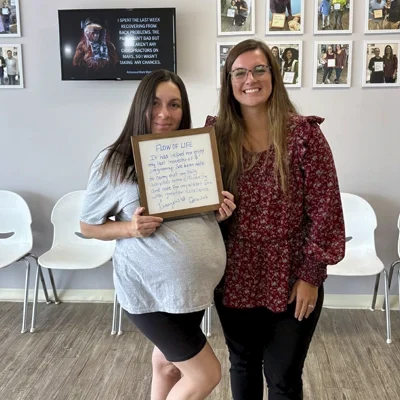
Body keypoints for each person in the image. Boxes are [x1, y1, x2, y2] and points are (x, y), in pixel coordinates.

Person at [80, 69, 236, 400]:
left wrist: (220, 209)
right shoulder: (114, 161)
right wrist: (129, 228)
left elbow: (198, 215)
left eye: (174, 104)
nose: (165, 114)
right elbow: (88, 225)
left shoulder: (195, 154)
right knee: (206, 374)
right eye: (155, 103)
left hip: (191, 292)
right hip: (150, 293)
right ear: (141, 106)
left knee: (168, 367)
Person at [206, 38, 345, 400]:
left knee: (283, 377)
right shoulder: (214, 137)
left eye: (258, 69)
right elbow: (197, 206)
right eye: (239, 72)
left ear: (273, 76)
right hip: (235, 275)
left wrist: (311, 276)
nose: (249, 79)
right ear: (228, 81)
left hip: (293, 274)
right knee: (243, 365)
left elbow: (326, 211)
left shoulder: (304, 135)